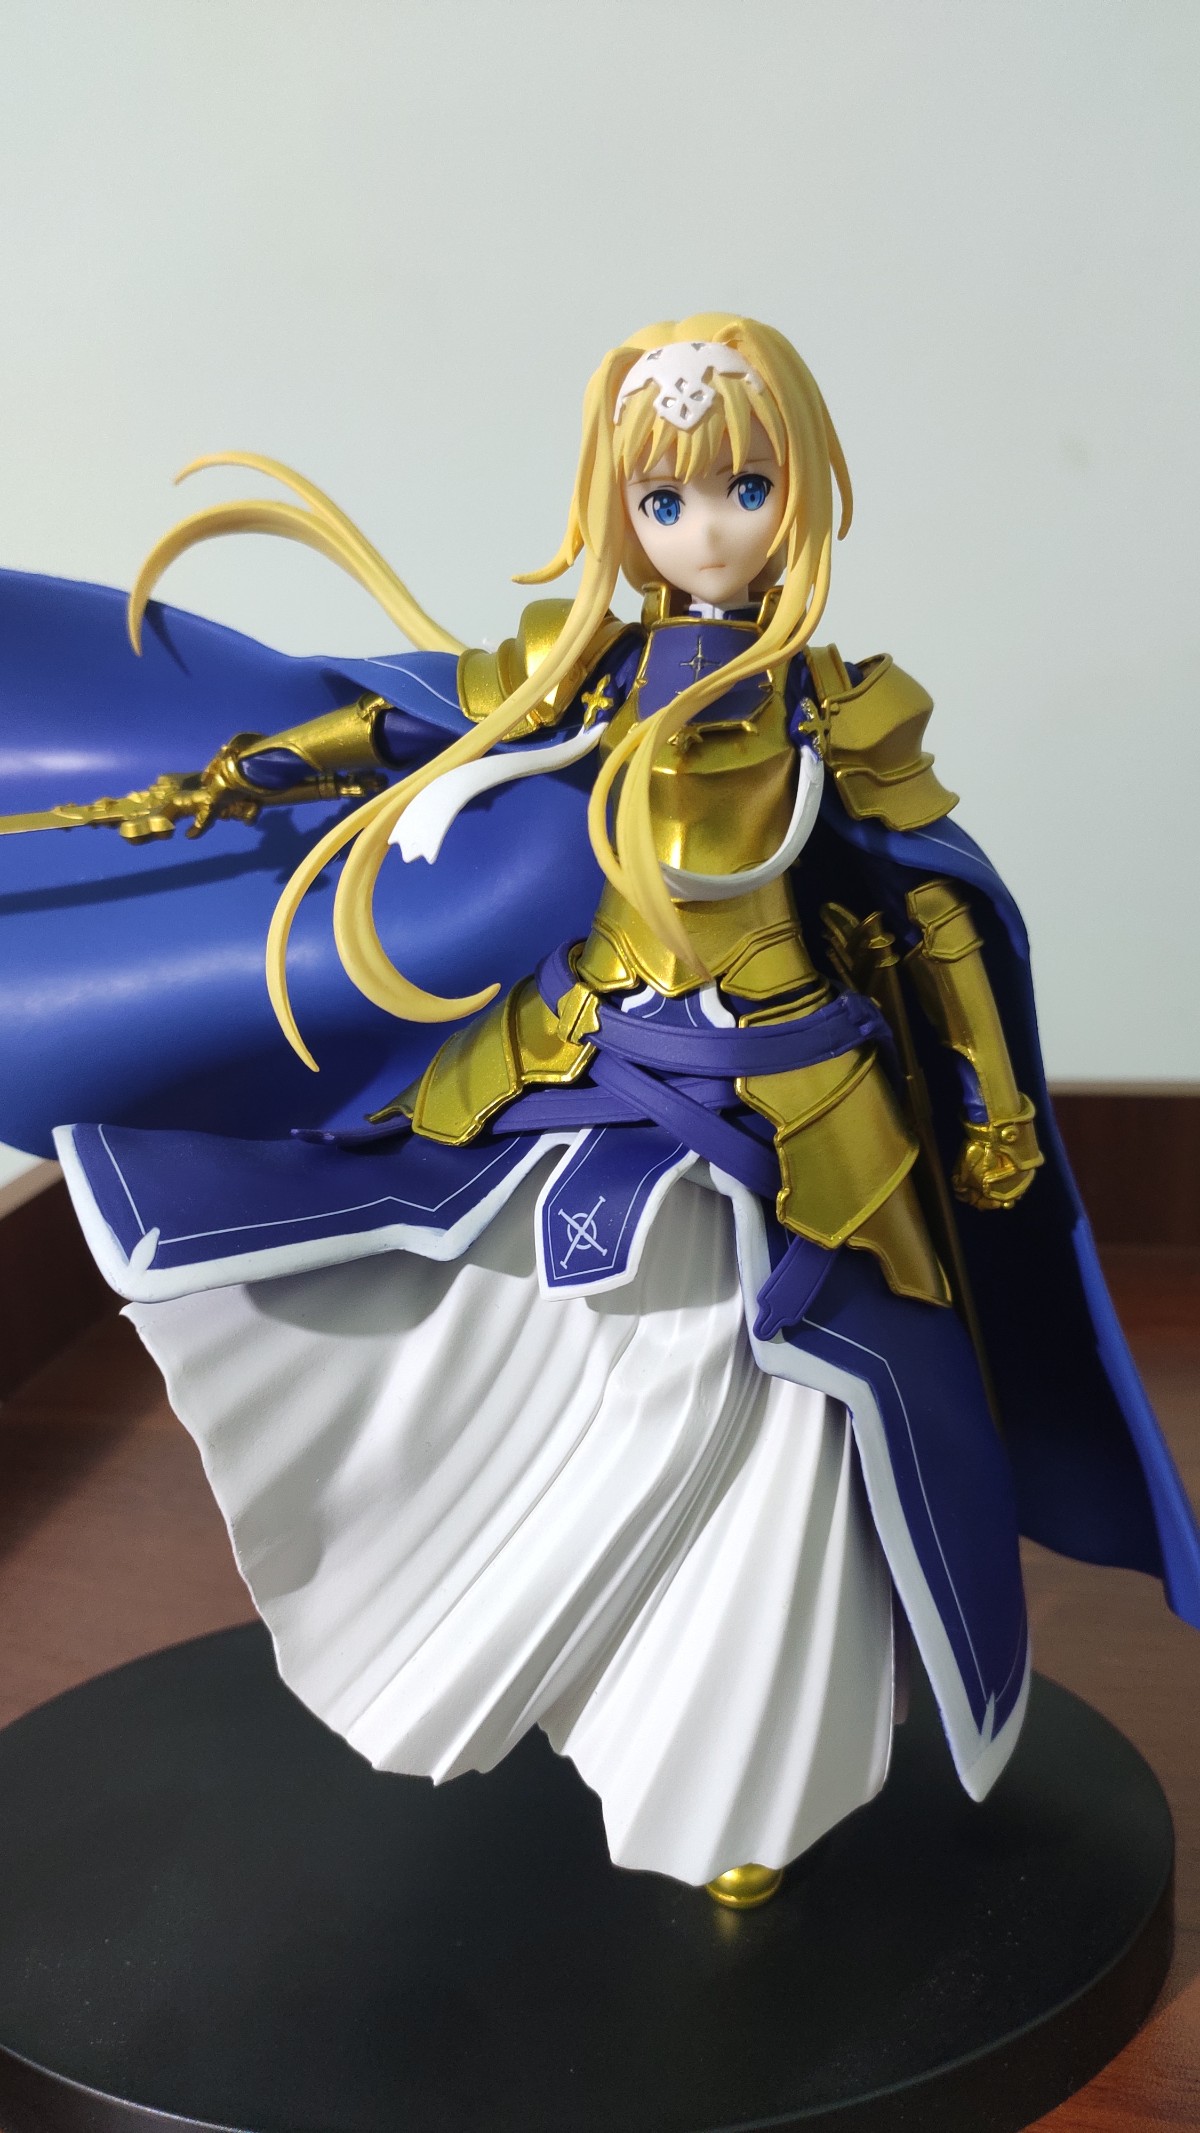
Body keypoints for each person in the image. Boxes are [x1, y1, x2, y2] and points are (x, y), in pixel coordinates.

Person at [2, 313, 1197, 1908]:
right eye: (666, 500)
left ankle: (738, 1767)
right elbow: (406, 727)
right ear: (620, 510)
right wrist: (237, 776)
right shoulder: (593, 671)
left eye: (746, 490)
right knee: (536, 1333)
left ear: (799, 494)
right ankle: (514, 1621)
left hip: (800, 1108)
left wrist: (992, 1107)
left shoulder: (836, 706)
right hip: (596, 1067)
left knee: (787, 1415)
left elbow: (931, 915)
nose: (707, 530)